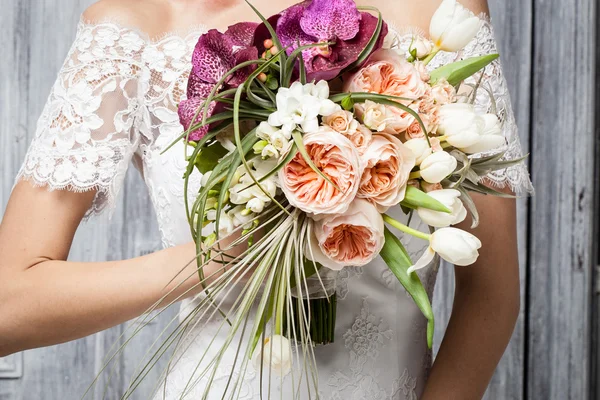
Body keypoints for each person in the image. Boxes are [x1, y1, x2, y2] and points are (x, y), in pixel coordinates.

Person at [0, 0, 534, 398]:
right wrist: (223, 258)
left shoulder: (436, 14)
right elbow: (10, 307)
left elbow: (491, 290)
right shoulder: (137, 22)